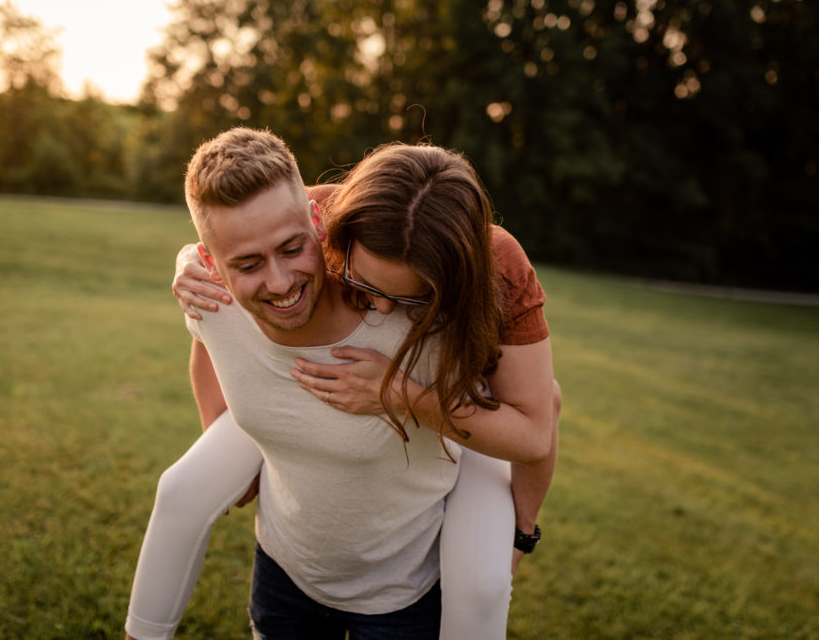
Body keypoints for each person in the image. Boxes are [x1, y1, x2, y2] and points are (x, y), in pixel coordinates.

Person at [126, 129, 559, 639]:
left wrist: (398, 393)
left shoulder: (496, 264)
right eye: (362, 283)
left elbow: (538, 420)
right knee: (181, 489)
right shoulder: (317, 219)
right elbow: (231, 264)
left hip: (422, 529)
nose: (378, 308)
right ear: (334, 234)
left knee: (482, 584)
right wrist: (194, 267)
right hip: (292, 565)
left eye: (411, 301)